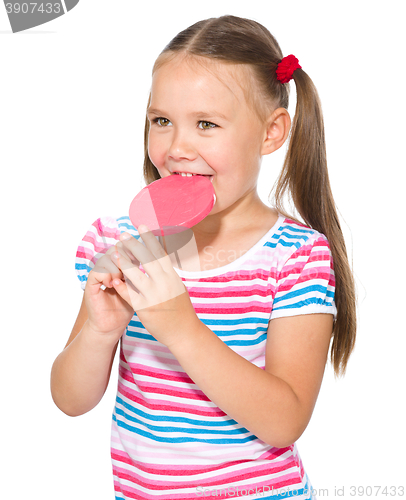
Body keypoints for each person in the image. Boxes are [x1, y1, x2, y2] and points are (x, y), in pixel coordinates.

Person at [51, 15, 357, 500]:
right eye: (162, 121)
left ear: (271, 133)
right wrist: (99, 330)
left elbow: (284, 421)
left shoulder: (296, 258)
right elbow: (69, 399)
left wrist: (180, 326)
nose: (176, 148)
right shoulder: (118, 242)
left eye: (206, 125)